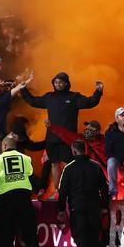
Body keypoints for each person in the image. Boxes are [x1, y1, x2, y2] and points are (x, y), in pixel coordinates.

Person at [21, 71, 103, 199]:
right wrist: (23, 89)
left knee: (67, 164)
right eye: (55, 82)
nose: (58, 84)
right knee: (54, 164)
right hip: (51, 138)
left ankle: (66, 190)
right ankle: (58, 191)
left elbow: (90, 102)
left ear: (66, 83)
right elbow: (33, 101)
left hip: (68, 139)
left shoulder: (74, 97)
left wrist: (98, 91)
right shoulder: (49, 97)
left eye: (60, 82)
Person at [0, 134, 41, 247]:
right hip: (24, 200)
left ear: (4, 146)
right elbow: (31, 178)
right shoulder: (26, 158)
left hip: (5, 202)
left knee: (5, 236)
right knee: (30, 234)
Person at [57, 140, 109, 247]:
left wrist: (61, 210)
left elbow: (62, 191)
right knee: (94, 241)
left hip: (77, 209)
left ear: (74, 151)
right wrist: (104, 206)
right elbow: (104, 188)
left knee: (82, 243)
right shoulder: (96, 166)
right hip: (94, 208)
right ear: (84, 150)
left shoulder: (68, 168)